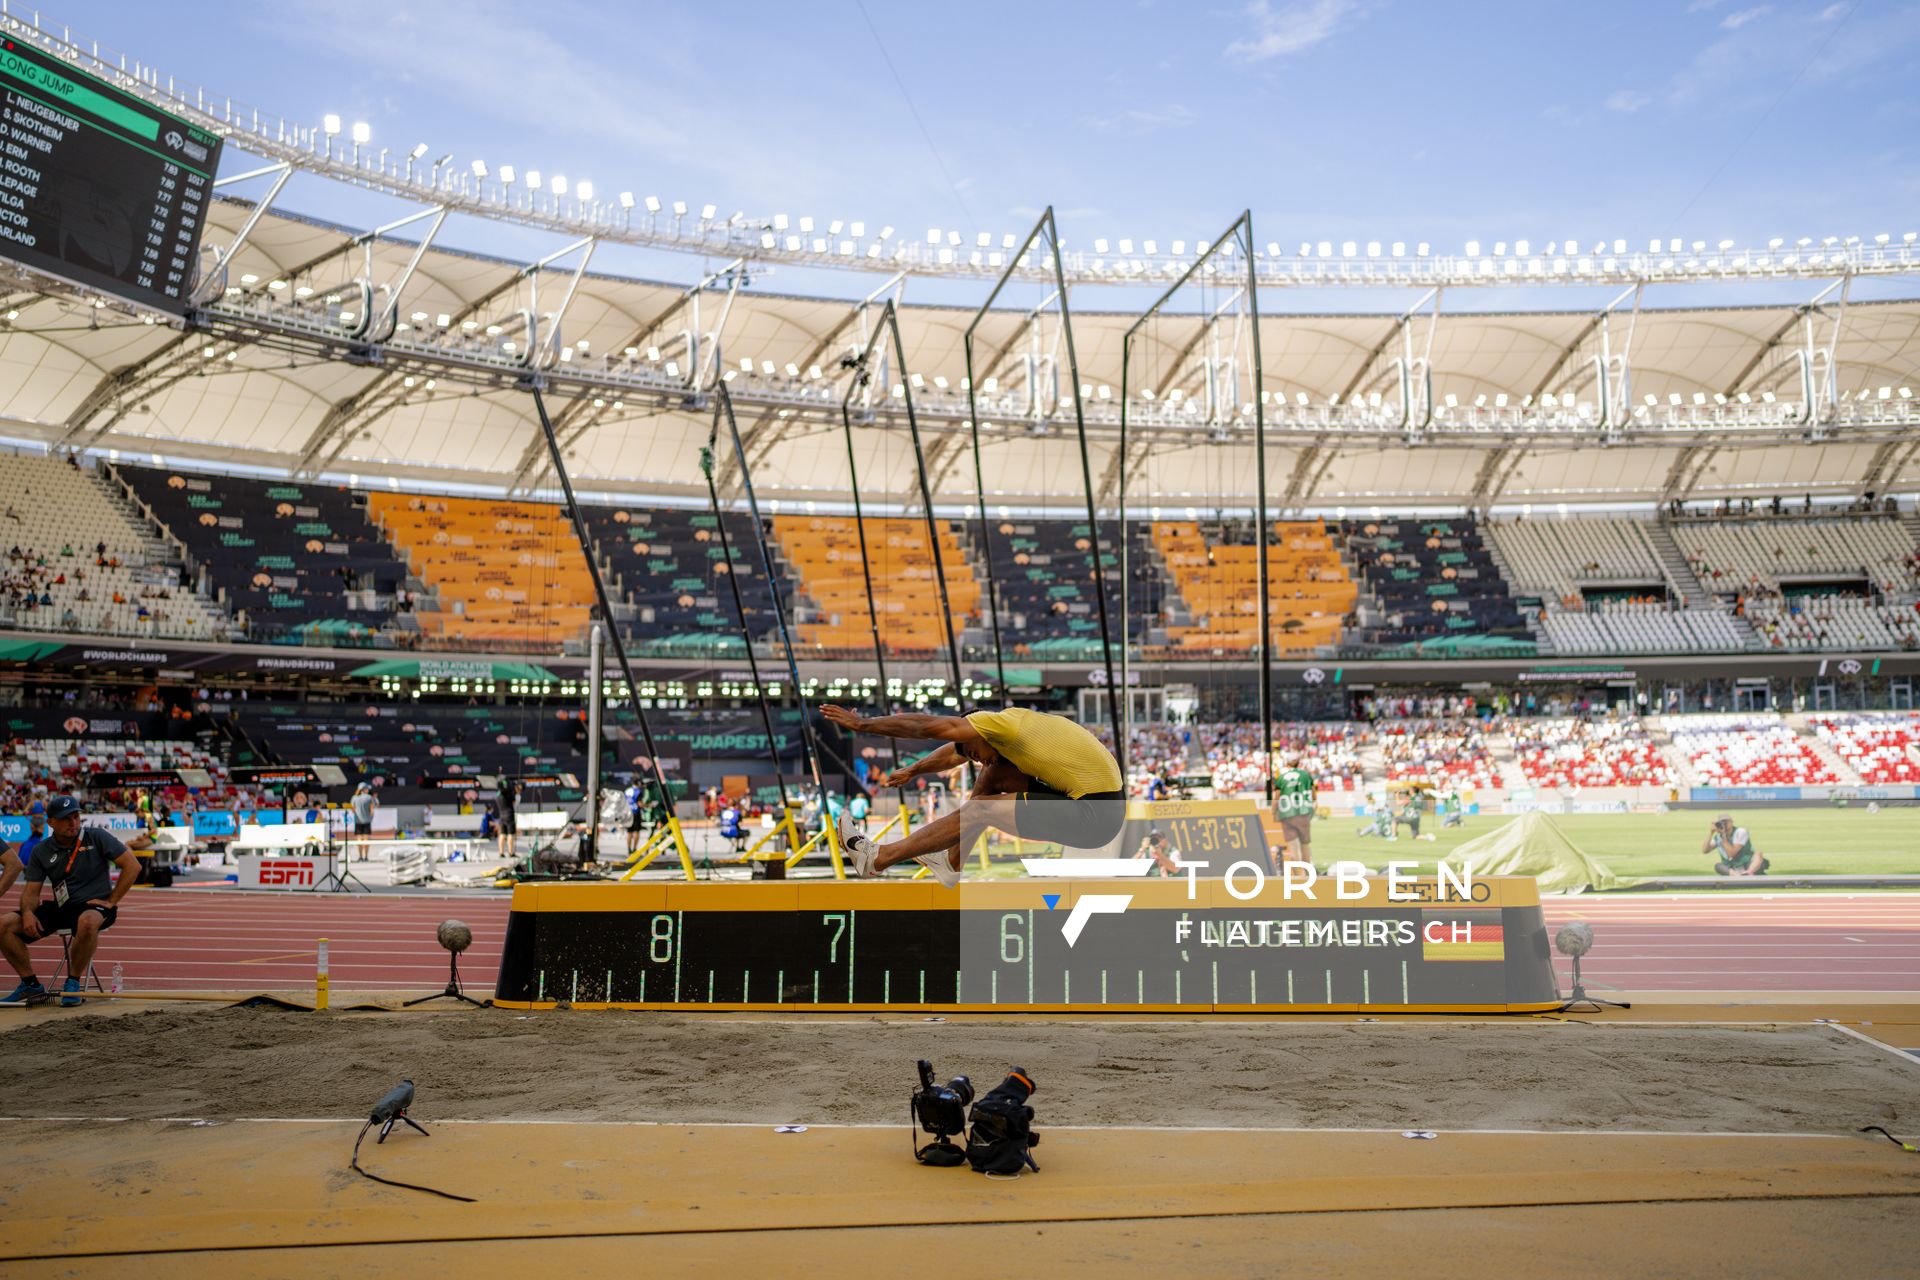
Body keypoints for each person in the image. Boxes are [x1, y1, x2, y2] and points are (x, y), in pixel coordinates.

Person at [823, 703, 1124, 888]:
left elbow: (927, 727)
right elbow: (953, 755)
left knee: (980, 809)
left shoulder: (1001, 723)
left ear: (977, 731)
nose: (977, 759)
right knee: (993, 774)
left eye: (973, 752)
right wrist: (914, 770)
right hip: (1093, 805)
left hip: (1096, 814)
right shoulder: (1000, 735)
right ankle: (952, 862)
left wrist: (864, 725)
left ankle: (878, 858)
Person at [1, 796, 148, 1006]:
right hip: (62, 908)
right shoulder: (41, 851)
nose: (73, 823)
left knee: (87, 922)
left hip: (94, 906)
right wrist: (27, 913)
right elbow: (31, 892)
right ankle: (30, 984)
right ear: (50, 822)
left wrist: (112, 900)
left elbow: (132, 866)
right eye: (66, 818)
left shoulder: (96, 837)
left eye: (76, 817)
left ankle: (73, 982)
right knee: (3, 925)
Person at [1271, 753, 1316, 871]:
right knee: (1305, 846)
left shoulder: (1281, 778)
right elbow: (1314, 796)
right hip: (1303, 812)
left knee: (1293, 848)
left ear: (1287, 762)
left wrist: (1273, 812)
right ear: (1299, 762)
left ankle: (1297, 877)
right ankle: (1308, 874)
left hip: (1287, 814)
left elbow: (1276, 798)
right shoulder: (1306, 775)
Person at [349, 782, 376, 858]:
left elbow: (353, 809)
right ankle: (366, 856)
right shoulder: (369, 797)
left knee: (359, 840)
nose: (368, 790)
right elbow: (372, 810)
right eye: (367, 788)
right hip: (367, 821)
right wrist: (370, 817)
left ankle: (360, 856)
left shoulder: (354, 798)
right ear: (364, 789)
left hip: (358, 821)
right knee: (366, 840)